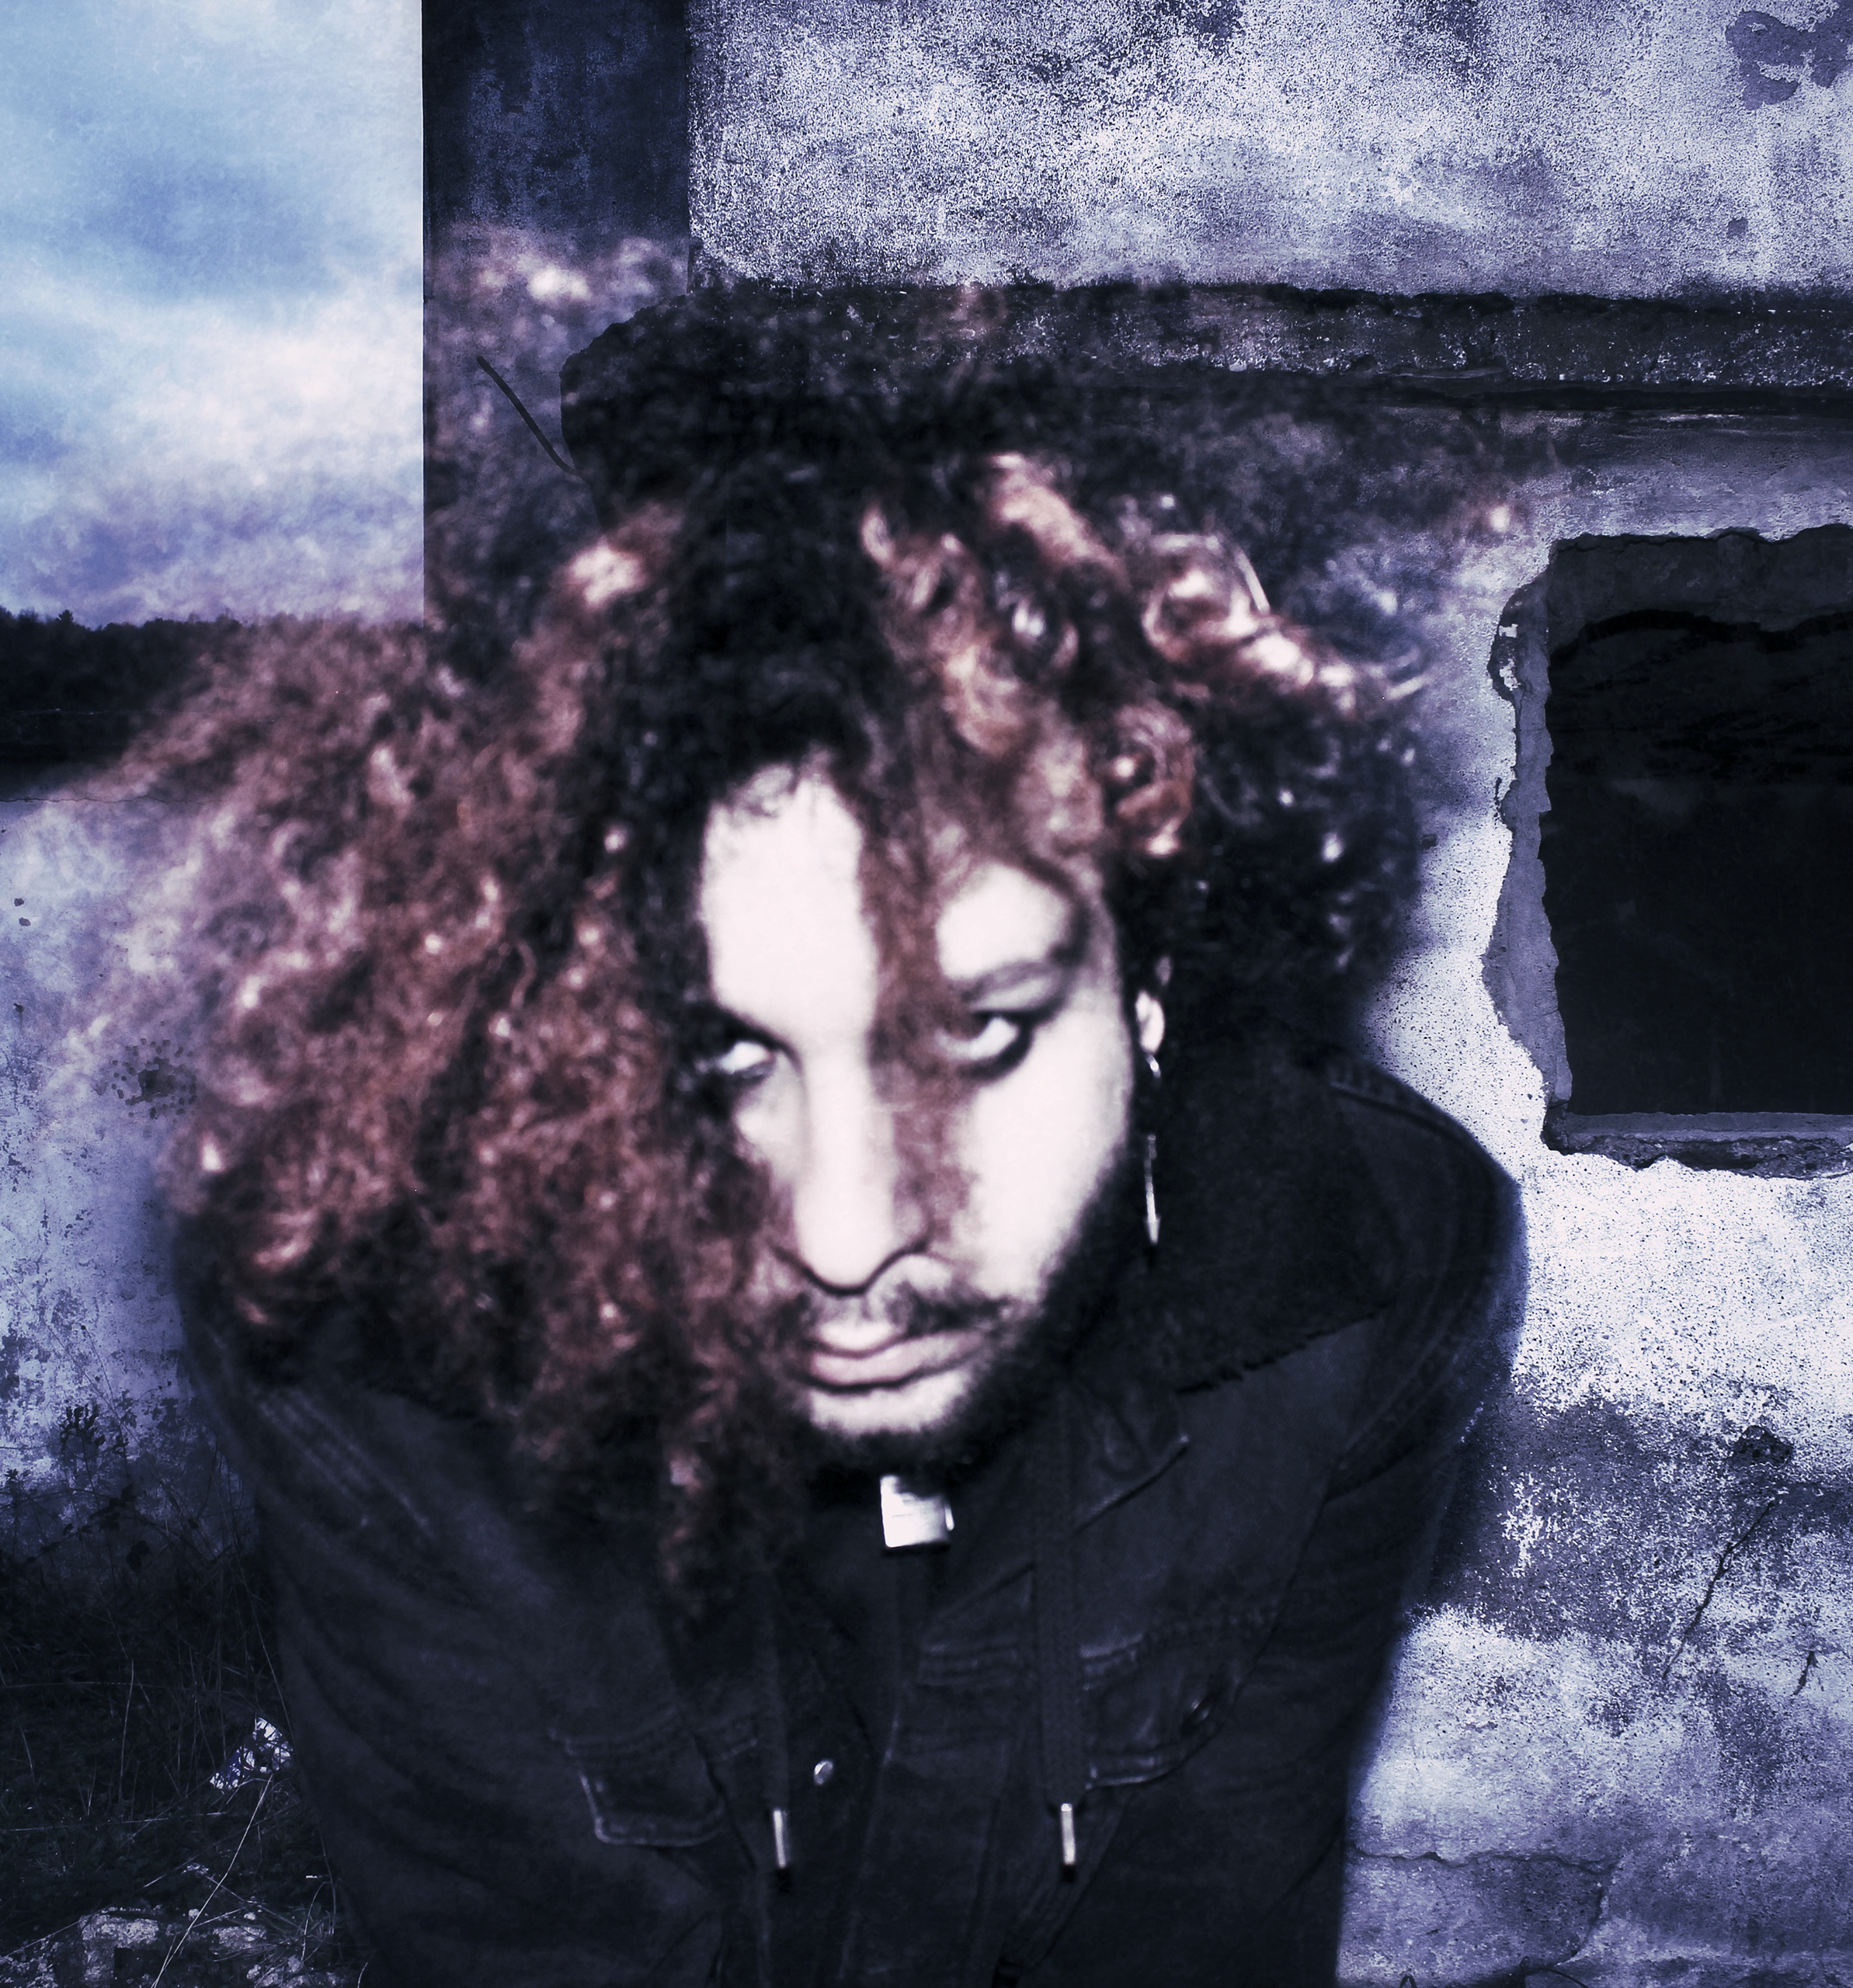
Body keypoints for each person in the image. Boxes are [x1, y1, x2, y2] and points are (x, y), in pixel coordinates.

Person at [130, 440, 1521, 1985]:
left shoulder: (1352, 1275)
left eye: (975, 1033)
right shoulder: (378, 1335)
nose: (848, 1237)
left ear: (1149, 984)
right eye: (719, 1059)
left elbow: (1197, 1931)